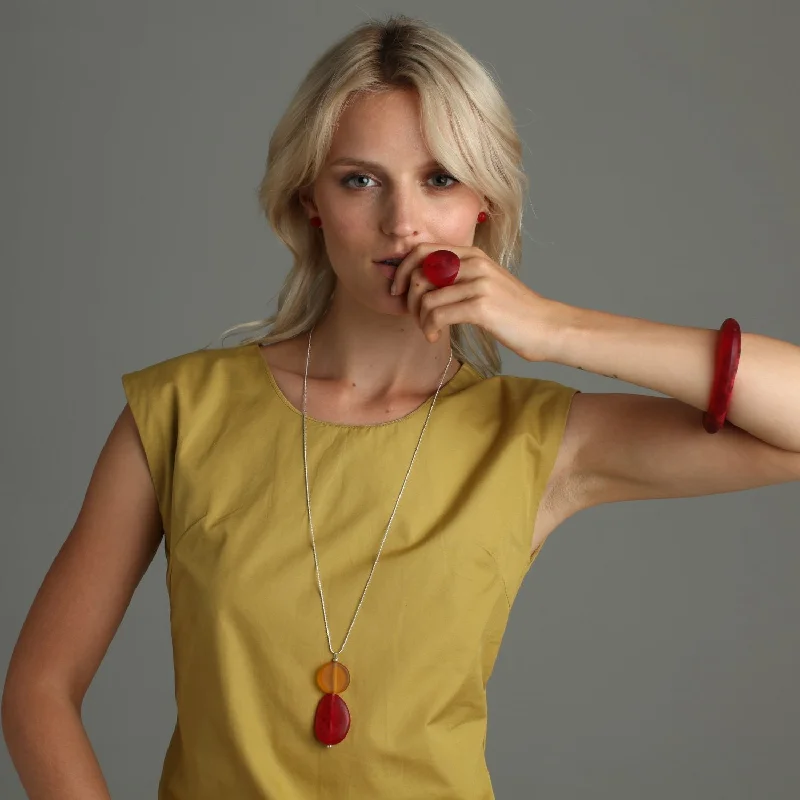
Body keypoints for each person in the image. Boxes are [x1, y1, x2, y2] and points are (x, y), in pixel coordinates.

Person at [4, 13, 800, 800]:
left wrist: (554, 328)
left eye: (440, 178)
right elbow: (38, 690)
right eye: (361, 180)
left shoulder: (532, 440)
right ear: (311, 198)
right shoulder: (178, 412)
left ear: (482, 201)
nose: (403, 223)